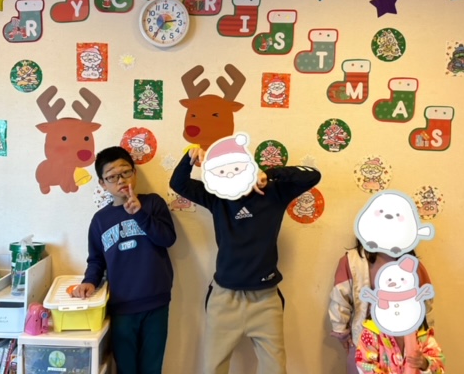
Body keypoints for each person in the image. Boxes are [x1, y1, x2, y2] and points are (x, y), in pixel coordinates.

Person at [169, 139, 321, 374]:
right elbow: (178, 183)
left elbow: (312, 176)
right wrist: (190, 155)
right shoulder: (217, 196)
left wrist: (270, 174)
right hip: (224, 298)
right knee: (213, 368)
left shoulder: (274, 192)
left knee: (275, 369)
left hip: (265, 299)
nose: (232, 174)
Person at [72, 146, 176, 374]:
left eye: (125, 172)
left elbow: (168, 239)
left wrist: (140, 214)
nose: (121, 180)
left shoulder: (153, 204)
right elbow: (96, 259)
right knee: (125, 367)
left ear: (134, 173)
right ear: (102, 183)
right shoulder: (100, 220)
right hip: (121, 305)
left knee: (152, 367)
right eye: (112, 176)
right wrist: (89, 280)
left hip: (156, 302)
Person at [328, 239, 434, 374]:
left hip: (405, 342)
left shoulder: (412, 264)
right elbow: (340, 297)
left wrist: (425, 337)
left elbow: (426, 304)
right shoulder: (352, 261)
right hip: (365, 340)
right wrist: (341, 331)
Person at [356, 315, 445, 373]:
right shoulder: (372, 334)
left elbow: (439, 365)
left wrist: (425, 364)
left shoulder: (423, 336)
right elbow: (364, 366)